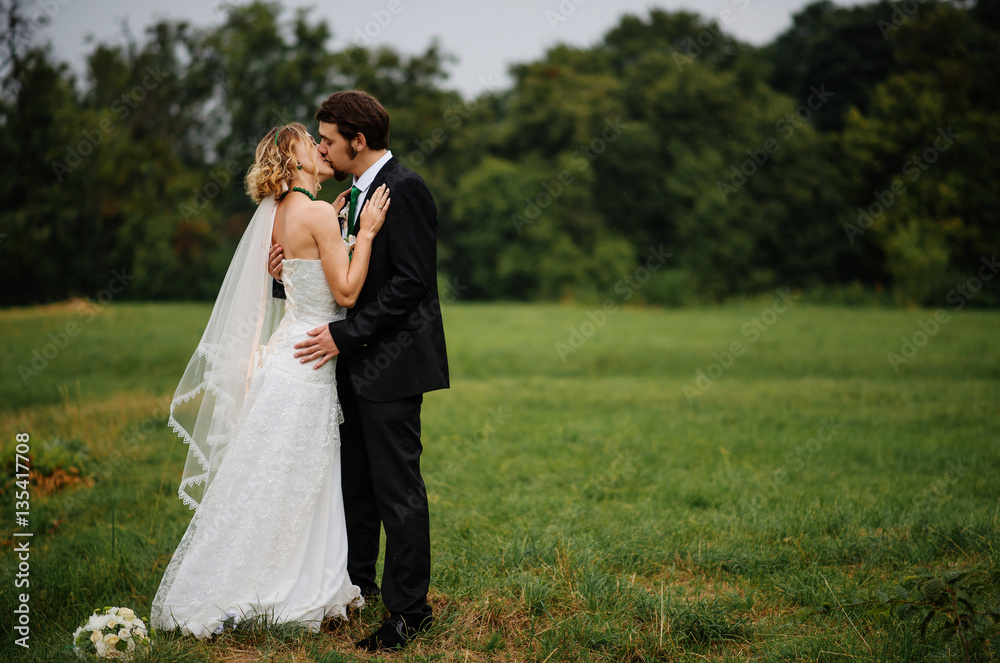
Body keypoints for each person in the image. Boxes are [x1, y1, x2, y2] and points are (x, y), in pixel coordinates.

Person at [151, 122, 390, 639]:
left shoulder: (278, 214)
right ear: (296, 160)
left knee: (271, 473)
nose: (322, 149)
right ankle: (292, 584)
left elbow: (298, 275)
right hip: (310, 360)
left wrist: (341, 230)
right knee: (298, 473)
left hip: (285, 353)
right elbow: (346, 294)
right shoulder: (320, 213)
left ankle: (249, 574)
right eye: (312, 144)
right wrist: (365, 234)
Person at [269, 90, 449, 652]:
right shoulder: (349, 196)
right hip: (342, 365)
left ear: (358, 141)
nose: (322, 148)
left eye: (327, 139)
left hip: (391, 366)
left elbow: (411, 283)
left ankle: (408, 612)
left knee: (398, 489)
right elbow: (336, 276)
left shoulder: (407, 189)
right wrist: (285, 277)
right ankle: (358, 587)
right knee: (355, 487)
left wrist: (345, 335)